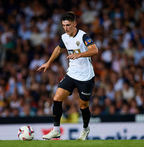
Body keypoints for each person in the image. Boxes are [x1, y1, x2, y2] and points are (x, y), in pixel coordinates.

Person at [37, 11, 98, 140]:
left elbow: (94, 50)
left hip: (85, 76)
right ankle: (56, 130)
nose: (66, 28)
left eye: (68, 25)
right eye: (64, 25)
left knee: (83, 106)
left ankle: (85, 129)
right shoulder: (64, 37)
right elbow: (59, 48)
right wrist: (48, 62)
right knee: (57, 98)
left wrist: (79, 54)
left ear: (75, 24)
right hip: (72, 73)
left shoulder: (83, 36)